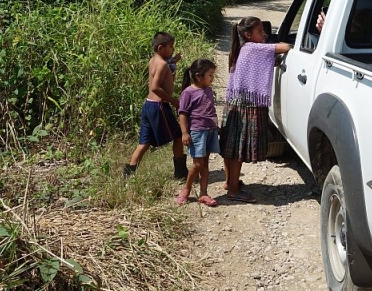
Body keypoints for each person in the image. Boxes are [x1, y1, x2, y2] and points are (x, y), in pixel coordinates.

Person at [221, 16, 291, 202]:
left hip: (236, 104)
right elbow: (285, 47)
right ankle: (234, 191)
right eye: (260, 31)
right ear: (247, 34)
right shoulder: (255, 47)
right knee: (238, 151)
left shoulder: (243, 48)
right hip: (247, 107)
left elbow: (265, 62)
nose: (264, 34)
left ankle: (230, 182)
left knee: (232, 148)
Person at [122, 31, 188, 179]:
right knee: (178, 136)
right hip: (159, 107)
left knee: (144, 142)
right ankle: (181, 173)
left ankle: (128, 173)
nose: (173, 50)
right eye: (171, 47)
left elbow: (167, 78)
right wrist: (173, 101)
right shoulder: (163, 64)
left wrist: (173, 63)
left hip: (148, 106)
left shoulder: (154, 61)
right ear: (160, 48)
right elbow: (156, 87)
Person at [176, 59, 220, 207]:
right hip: (197, 131)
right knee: (197, 164)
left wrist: (215, 125)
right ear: (198, 76)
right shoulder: (188, 92)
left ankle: (203, 193)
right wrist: (184, 132)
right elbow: (182, 113)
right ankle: (186, 189)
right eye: (210, 75)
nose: (212, 78)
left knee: (205, 163)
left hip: (210, 130)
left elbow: (210, 109)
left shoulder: (207, 89)